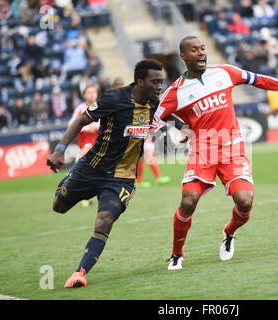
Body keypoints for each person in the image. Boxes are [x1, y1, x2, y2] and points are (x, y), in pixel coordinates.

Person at [151, 36, 278, 270]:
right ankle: (177, 254)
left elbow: (259, 80)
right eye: (194, 50)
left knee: (245, 202)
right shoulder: (176, 91)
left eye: (203, 48)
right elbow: (154, 117)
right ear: (184, 57)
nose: (201, 53)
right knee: (188, 201)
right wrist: (180, 127)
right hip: (203, 151)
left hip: (232, 148)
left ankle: (229, 232)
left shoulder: (225, 72)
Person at [46, 59, 165, 288]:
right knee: (58, 206)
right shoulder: (114, 99)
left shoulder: (155, 104)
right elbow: (80, 120)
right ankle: (70, 180)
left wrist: (185, 128)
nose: (160, 86)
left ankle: (80, 273)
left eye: (161, 81)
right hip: (91, 168)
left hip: (122, 178)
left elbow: (169, 115)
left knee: (104, 220)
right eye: (155, 81)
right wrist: (60, 150)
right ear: (140, 82)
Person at [68, 84, 101, 207]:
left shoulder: (101, 106)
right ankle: (84, 196)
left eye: (94, 92)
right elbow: (72, 124)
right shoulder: (80, 108)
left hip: (99, 139)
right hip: (87, 141)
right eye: (89, 92)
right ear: (84, 95)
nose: (92, 94)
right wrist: (88, 125)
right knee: (89, 169)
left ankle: (94, 195)